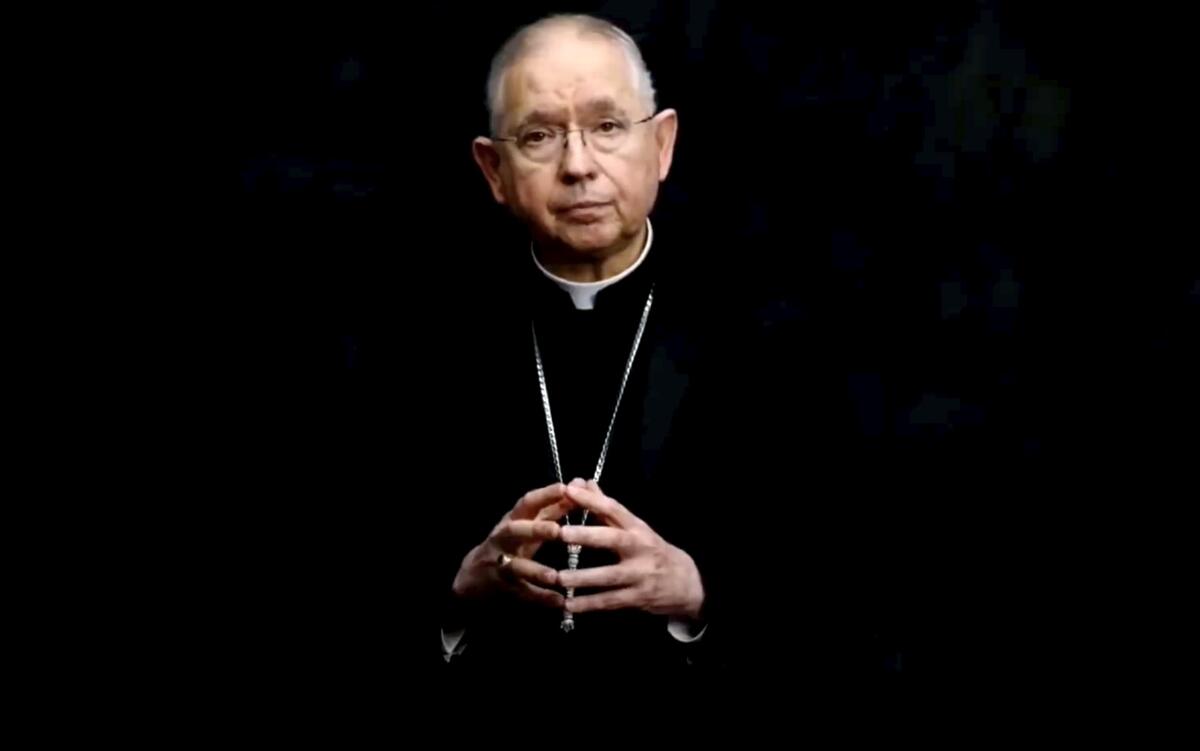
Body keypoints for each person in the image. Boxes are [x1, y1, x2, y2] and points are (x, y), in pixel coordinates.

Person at [420, 13, 892, 674]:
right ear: (493, 169)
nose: (578, 166)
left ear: (663, 145)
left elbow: (858, 584)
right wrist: (460, 591)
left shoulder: (778, 334)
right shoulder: (414, 338)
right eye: (539, 136)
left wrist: (694, 591)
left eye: (608, 127)